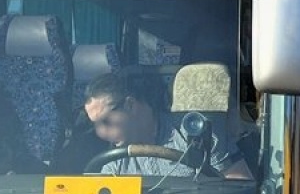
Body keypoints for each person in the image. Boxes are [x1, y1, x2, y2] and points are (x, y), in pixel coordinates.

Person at [81, 70, 250, 179]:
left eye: (105, 121)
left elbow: (239, 186)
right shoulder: (114, 161)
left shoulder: (196, 134)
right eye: (94, 125)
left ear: (130, 105)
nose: (101, 133)